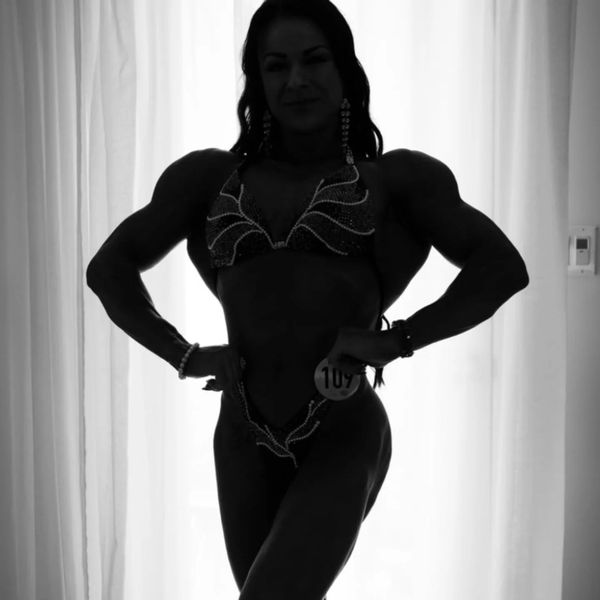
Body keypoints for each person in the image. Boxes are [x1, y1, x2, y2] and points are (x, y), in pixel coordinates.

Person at [86, 0, 529, 598]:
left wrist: (398, 339)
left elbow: (501, 266)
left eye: (314, 60)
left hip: (341, 431)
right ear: (257, 81)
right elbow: (108, 269)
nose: (296, 79)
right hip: (242, 437)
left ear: (345, 69)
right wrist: (184, 355)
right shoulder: (206, 179)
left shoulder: (397, 180)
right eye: (276, 66)